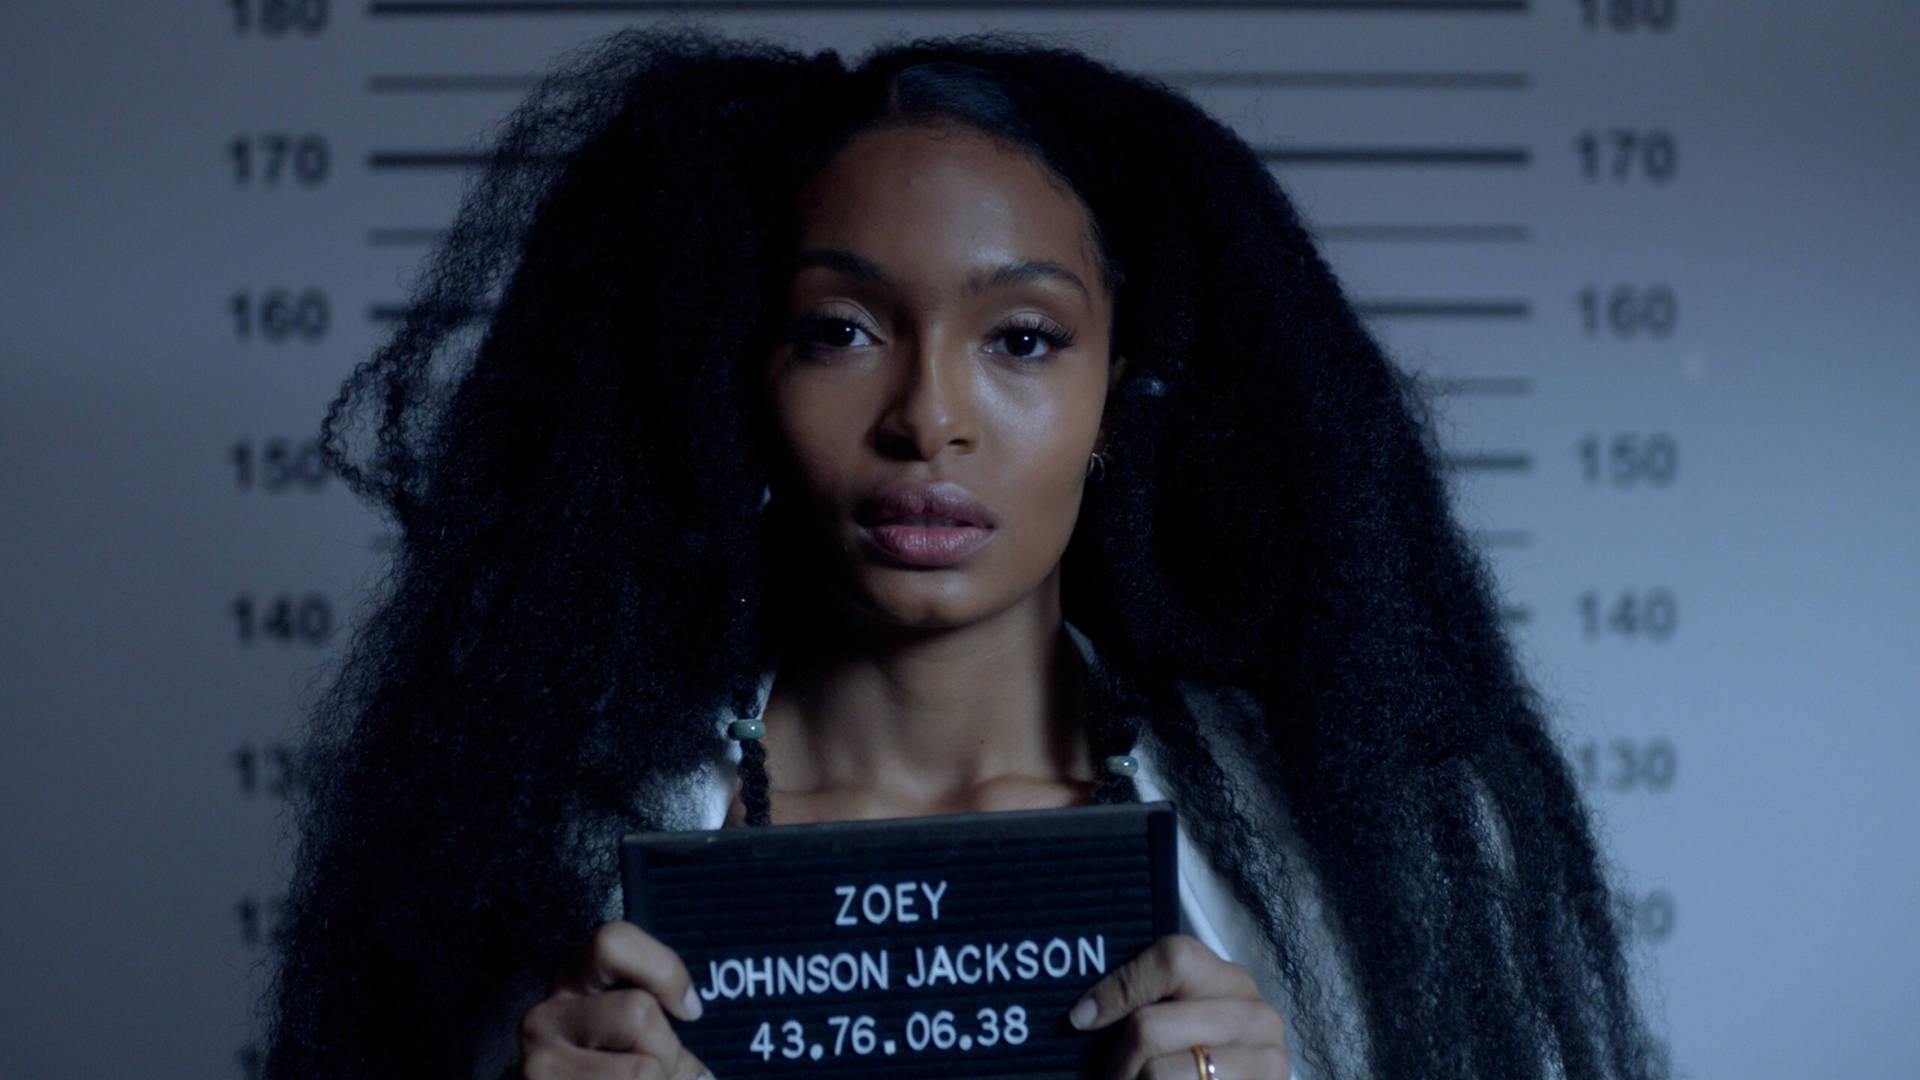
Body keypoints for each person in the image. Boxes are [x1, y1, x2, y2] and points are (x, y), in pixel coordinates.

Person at [261, 24, 1662, 1080]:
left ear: (1124, 393)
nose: (929, 418)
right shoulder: (541, 859)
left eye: (1024, 341)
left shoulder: (1336, 862)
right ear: (734, 385)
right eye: (840, 331)